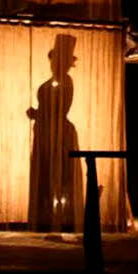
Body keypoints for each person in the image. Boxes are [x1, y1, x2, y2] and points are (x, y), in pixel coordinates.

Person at [26, 34, 83, 231]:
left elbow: (61, 109)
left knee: (61, 173)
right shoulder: (52, 82)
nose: (54, 64)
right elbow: (48, 109)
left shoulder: (66, 82)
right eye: (53, 60)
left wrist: (39, 114)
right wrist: (37, 114)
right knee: (45, 172)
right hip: (45, 132)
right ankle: (46, 217)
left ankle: (63, 218)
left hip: (59, 133)